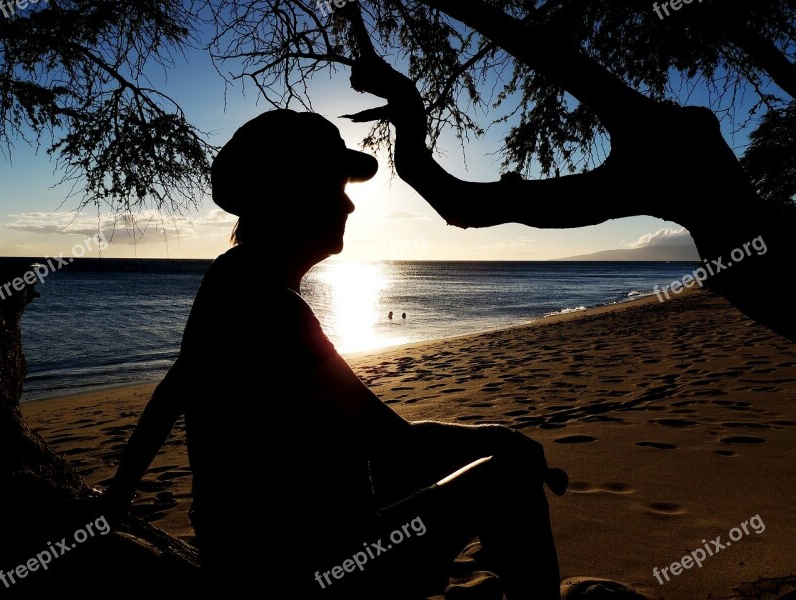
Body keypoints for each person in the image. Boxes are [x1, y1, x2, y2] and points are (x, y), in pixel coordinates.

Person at [103, 109, 565, 599]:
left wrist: (118, 496)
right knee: (508, 476)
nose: (347, 206)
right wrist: (503, 440)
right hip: (315, 568)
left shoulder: (228, 279)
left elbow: (173, 390)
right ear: (274, 203)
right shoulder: (269, 308)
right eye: (328, 188)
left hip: (255, 552)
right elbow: (394, 442)